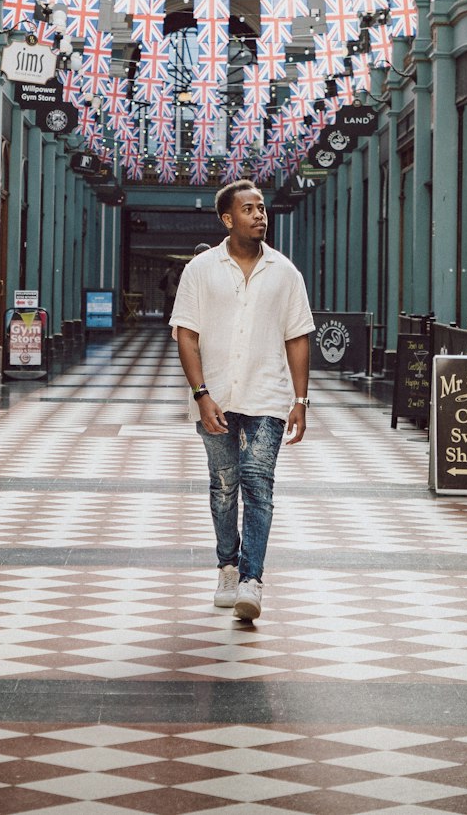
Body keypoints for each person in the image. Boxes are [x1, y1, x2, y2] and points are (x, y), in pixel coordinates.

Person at [170, 179, 314, 621]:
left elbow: (298, 338)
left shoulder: (286, 273)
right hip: (214, 395)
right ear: (228, 219)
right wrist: (201, 393)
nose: (259, 216)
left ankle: (252, 579)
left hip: (267, 395)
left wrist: (301, 400)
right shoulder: (200, 270)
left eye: (262, 209)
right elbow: (186, 336)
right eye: (249, 210)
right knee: (223, 486)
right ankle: (227, 568)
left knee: (258, 483)